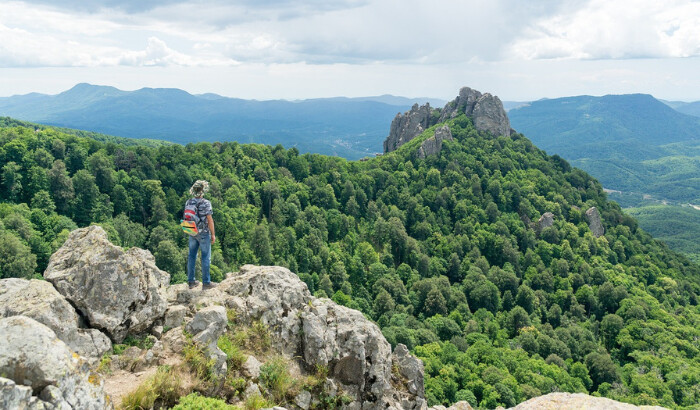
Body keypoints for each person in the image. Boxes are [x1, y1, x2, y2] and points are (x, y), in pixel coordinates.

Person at [186, 180, 217, 290]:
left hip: (192, 231)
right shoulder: (206, 203)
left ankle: (191, 281)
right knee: (205, 257)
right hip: (203, 233)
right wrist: (213, 234)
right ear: (202, 191)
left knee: (191, 256)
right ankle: (206, 283)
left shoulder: (189, 202)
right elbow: (210, 220)